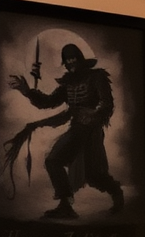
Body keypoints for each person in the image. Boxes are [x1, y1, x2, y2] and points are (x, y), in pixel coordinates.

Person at [7, 42, 124, 219]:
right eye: (67, 60)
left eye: (73, 58)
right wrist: (26, 91)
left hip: (91, 131)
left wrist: (92, 114)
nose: (71, 62)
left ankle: (116, 193)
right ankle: (65, 206)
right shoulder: (67, 83)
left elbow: (107, 104)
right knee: (54, 160)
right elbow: (48, 102)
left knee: (94, 175)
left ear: (80, 59)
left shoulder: (96, 77)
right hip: (76, 129)